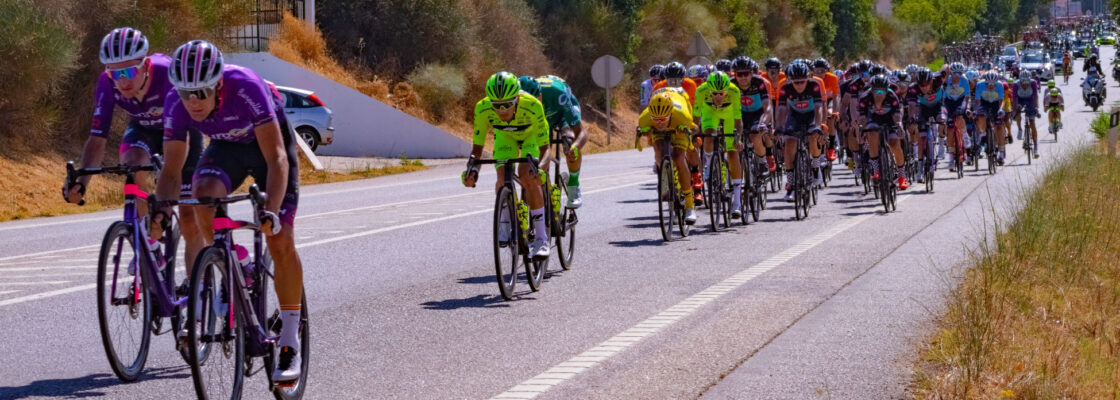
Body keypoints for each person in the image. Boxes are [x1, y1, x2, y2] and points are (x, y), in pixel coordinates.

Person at [154, 40, 306, 383]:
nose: (193, 101)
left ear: (219, 83)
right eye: (185, 92)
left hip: (269, 147)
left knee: (280, 239)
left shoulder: (245, 87)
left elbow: (277, 158)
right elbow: (172, 172)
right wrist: (160, 213)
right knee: (202, 194)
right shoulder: (176, 105)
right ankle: (236, 264)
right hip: (226, 148)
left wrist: (270, 212)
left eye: (202, 92)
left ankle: (289, 339)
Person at [64, 27, 205, 276]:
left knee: (188, 218)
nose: (122, 81)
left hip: (181, 132)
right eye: (115, 73)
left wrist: (165, 199)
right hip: (143, 129)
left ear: (146, 64)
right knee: (132, 165)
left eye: (129, 71)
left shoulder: (167, 74)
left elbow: (179, 144)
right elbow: (97, 139)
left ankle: (199, 291)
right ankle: (150, 247)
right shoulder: (107, 84)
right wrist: (82, 182)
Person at [463, 72, 551, 258]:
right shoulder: (482, 108)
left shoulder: (533, 105)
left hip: (530, 136)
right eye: (496, 105)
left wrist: (541, 170)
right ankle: (504, 223)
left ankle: (542, 238)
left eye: (507, 105)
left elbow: (546, 149)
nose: (502, 110)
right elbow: (477, 150)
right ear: (490, 101)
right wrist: (472, 170)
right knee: (502, 178)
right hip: (505, 137)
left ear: (517, 98)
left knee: (528, 176)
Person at [518, 75, 585, 208]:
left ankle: (573, 185)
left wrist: (575, 146)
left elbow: (581, 132)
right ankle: (545, 191)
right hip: (541, 120)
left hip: (561, 113)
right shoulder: (519, 103)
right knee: (540, 152)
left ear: (540, 96)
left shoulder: (558, 95)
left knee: (569, 141)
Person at [637, 92, 699, 224]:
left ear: (670, 113)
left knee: (678, 158)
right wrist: (644, 131)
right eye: (656, 119)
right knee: (659, 151)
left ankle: (689, 206)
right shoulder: (645, 118)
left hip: (678, 128)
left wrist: (685, 130)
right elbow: (642, 130)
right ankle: (665, 180)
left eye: (663, 119)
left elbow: (696, 129)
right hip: (658, 134)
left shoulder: (681, 115)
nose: (659, 123)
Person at [694, 71, 744, 217]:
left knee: (732, 151)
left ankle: (737, 201)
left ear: (727, 90)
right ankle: (709, 164)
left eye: (721, 93)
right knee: (708, 135)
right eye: (714, 93)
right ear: (708, 89)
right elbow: (696, 117)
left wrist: (737, 138)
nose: (718, 97)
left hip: (729, 115)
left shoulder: (734, 91)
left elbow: (738, 119)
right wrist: (694, 134)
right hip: (710, 112)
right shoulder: (701, 90)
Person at [775, 63, 827, 202]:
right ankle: (791, 183)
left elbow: (818, 108)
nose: (798, 85)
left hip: (811, 115)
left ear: (807, 78)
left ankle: (816, 166)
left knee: (813, 136)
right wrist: (779, 126)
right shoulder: (785, 87)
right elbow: (780, 109)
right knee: (789, 143)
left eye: (802, 81)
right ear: (790, 80)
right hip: (795, 115)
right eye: (795, 82)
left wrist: (817, 125)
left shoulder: (814, 85)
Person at [859, 74, 909, 190]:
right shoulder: (865, 97)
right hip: (873, 119)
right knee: (871, 135)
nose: (879, 94)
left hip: (889, 119)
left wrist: (899, 125)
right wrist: (861, 130)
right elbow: (862, 117)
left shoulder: (892, 95)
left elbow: (897, 114)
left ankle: (902, 176)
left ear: (887, 89)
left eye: (882, 91)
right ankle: (876, 170)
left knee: (894, 144)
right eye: (876, 91)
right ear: (871, 89)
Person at [732, 56, 775, 175]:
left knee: (755, 135)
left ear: (751, 73)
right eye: (739, 74)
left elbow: (768, 107)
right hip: (740, 115)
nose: (743, 77)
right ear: (735, 74)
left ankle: (762, 161)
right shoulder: (731, 84)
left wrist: (762, 123)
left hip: (758, 114)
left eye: (746, 74)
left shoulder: (759, 82)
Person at [972, 71, 1008, 165]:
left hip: (996, 104)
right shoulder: (980, 85)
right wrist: (976, 110)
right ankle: (983, 133)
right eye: (989, 84)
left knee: (999, 127)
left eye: (993, 84)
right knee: (981, 116)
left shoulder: (1000, 85)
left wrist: (1000, 110)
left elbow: (1001, 101)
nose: (991, 86)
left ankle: (1001, 152)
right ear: (985, 82)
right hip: (984, 103)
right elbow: (977, 101)